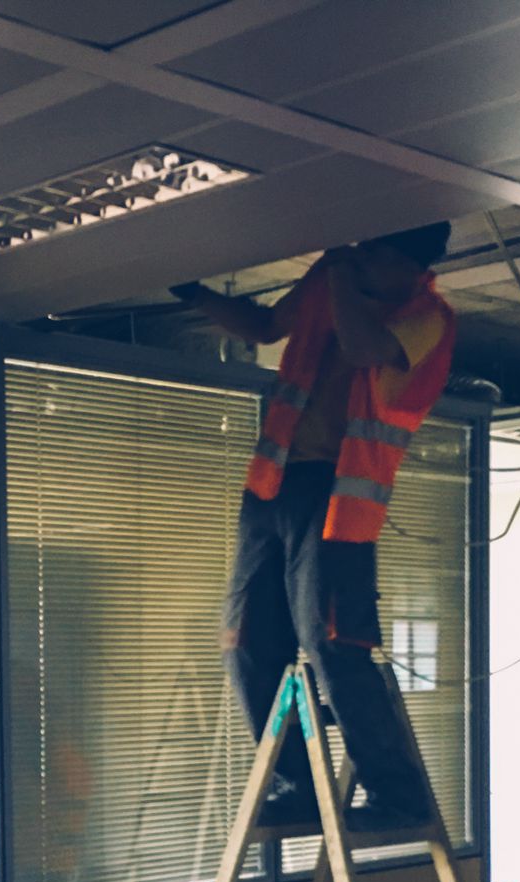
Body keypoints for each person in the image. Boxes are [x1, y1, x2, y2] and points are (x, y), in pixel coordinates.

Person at [171, 222, 457, 830]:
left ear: (407, 266)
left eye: (373, 254)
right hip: (271, 485)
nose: (360, 260)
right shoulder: (339, 282)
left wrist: (341, 276)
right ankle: (297, 785)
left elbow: (362, 347)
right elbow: (265, 328)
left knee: (332, 645)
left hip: (338, 496)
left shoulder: (427, 318)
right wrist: (194, 293)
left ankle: (396, 795)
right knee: (248, 644)